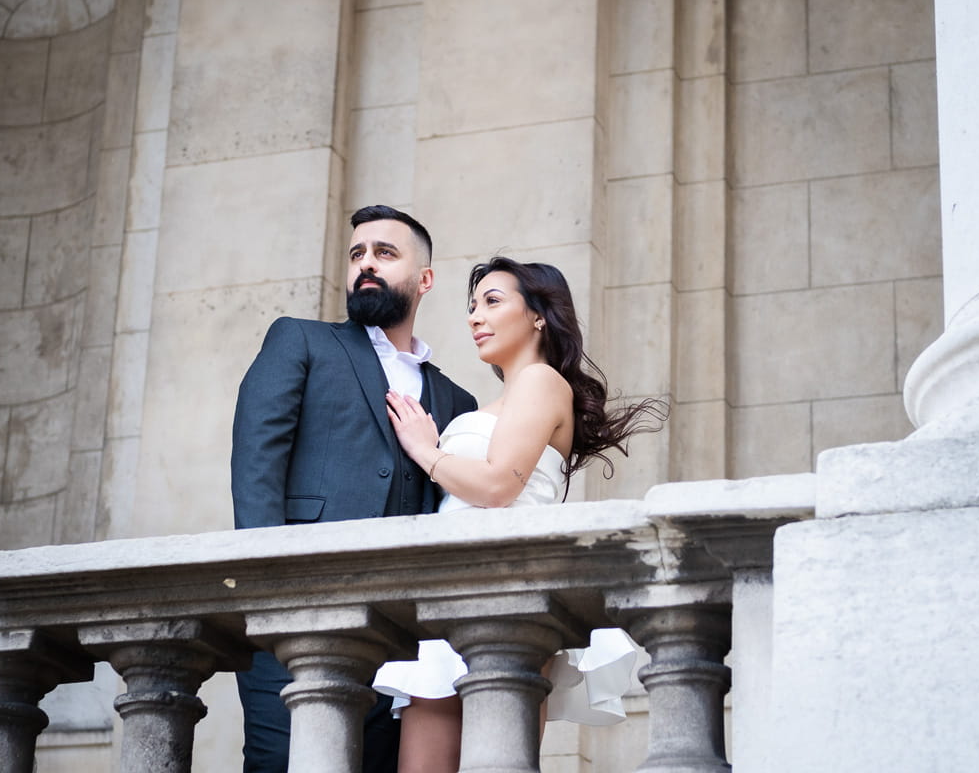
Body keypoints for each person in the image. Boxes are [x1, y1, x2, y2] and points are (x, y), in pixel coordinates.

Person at [374, 256, 665, 773]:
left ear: (537, 316)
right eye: (471, 306)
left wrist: (426, 450)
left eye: (491, 301)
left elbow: (497, 486)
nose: (473, 317)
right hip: (450, 586)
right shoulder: (503, 398)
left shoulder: (542, 382)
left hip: (504, 586)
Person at [231, 205, 477, 773]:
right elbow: (256, 464)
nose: (366, 264)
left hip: (401, 646)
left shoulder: (456, 401)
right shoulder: (300, 341)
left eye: (385, 253)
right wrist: (271, 592)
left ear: (425, 278)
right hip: (293, 617)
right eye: (357, 253)